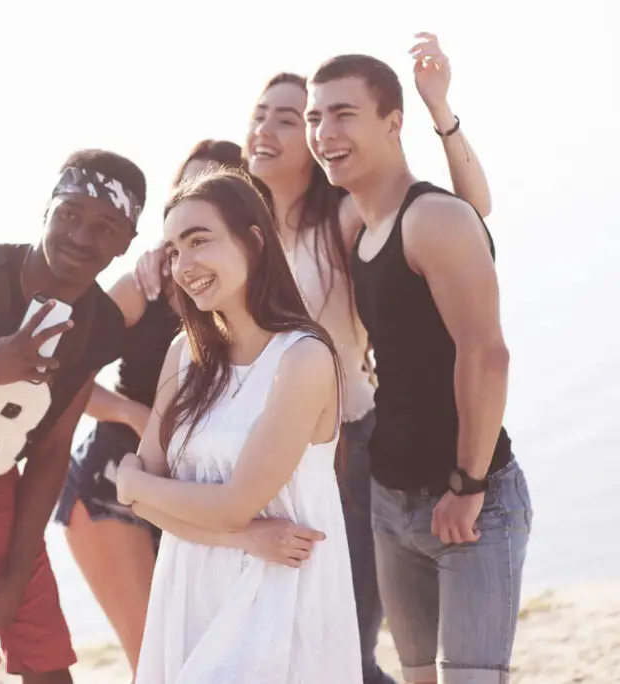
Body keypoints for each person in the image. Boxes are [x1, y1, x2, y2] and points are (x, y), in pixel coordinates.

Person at [132, 33, 492, 684]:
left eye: (292, 118)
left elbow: (466, 214)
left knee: (335, 636)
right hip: (246, 440)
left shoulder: (344, 218)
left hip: (344, 441)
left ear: (318, 143)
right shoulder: (220, 233)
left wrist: (442, 113)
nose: (267, 127)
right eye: (260, 113)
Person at [306, 54, 532, 684]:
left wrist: (467, 484)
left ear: (392, 123)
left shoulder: (431, 219)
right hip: (389, 500)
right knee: (416, 677)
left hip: (471, 502)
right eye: (315, 117)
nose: (325, 133)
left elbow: (486, 355)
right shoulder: (356, 222)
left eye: (345, 114)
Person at [115, 168, 360, 683]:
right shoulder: (184, 354)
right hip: (190, 587)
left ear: (253, 241)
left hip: (278, 593)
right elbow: (145, 503)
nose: (184, 265)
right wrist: (242, 538)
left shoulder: (303, 357)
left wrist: (136, 482)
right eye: (174, 251)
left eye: (199, 241)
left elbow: (229, 503)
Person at [52, 139, 284, 673]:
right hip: (112, 482)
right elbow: (64, 374)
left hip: (190, 489)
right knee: (155, 661)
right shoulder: (144, 285)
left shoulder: (248, 298)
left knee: (204, 654)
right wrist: (136, 417)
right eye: (184, 191)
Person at [0, 149, 145, 684]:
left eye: (105, 226)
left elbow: (52, 447)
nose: (80, 235)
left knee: (47, 662)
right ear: (47, 208)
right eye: (70, 213)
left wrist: (20, 571)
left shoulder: (99, 324)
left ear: (124, 245)